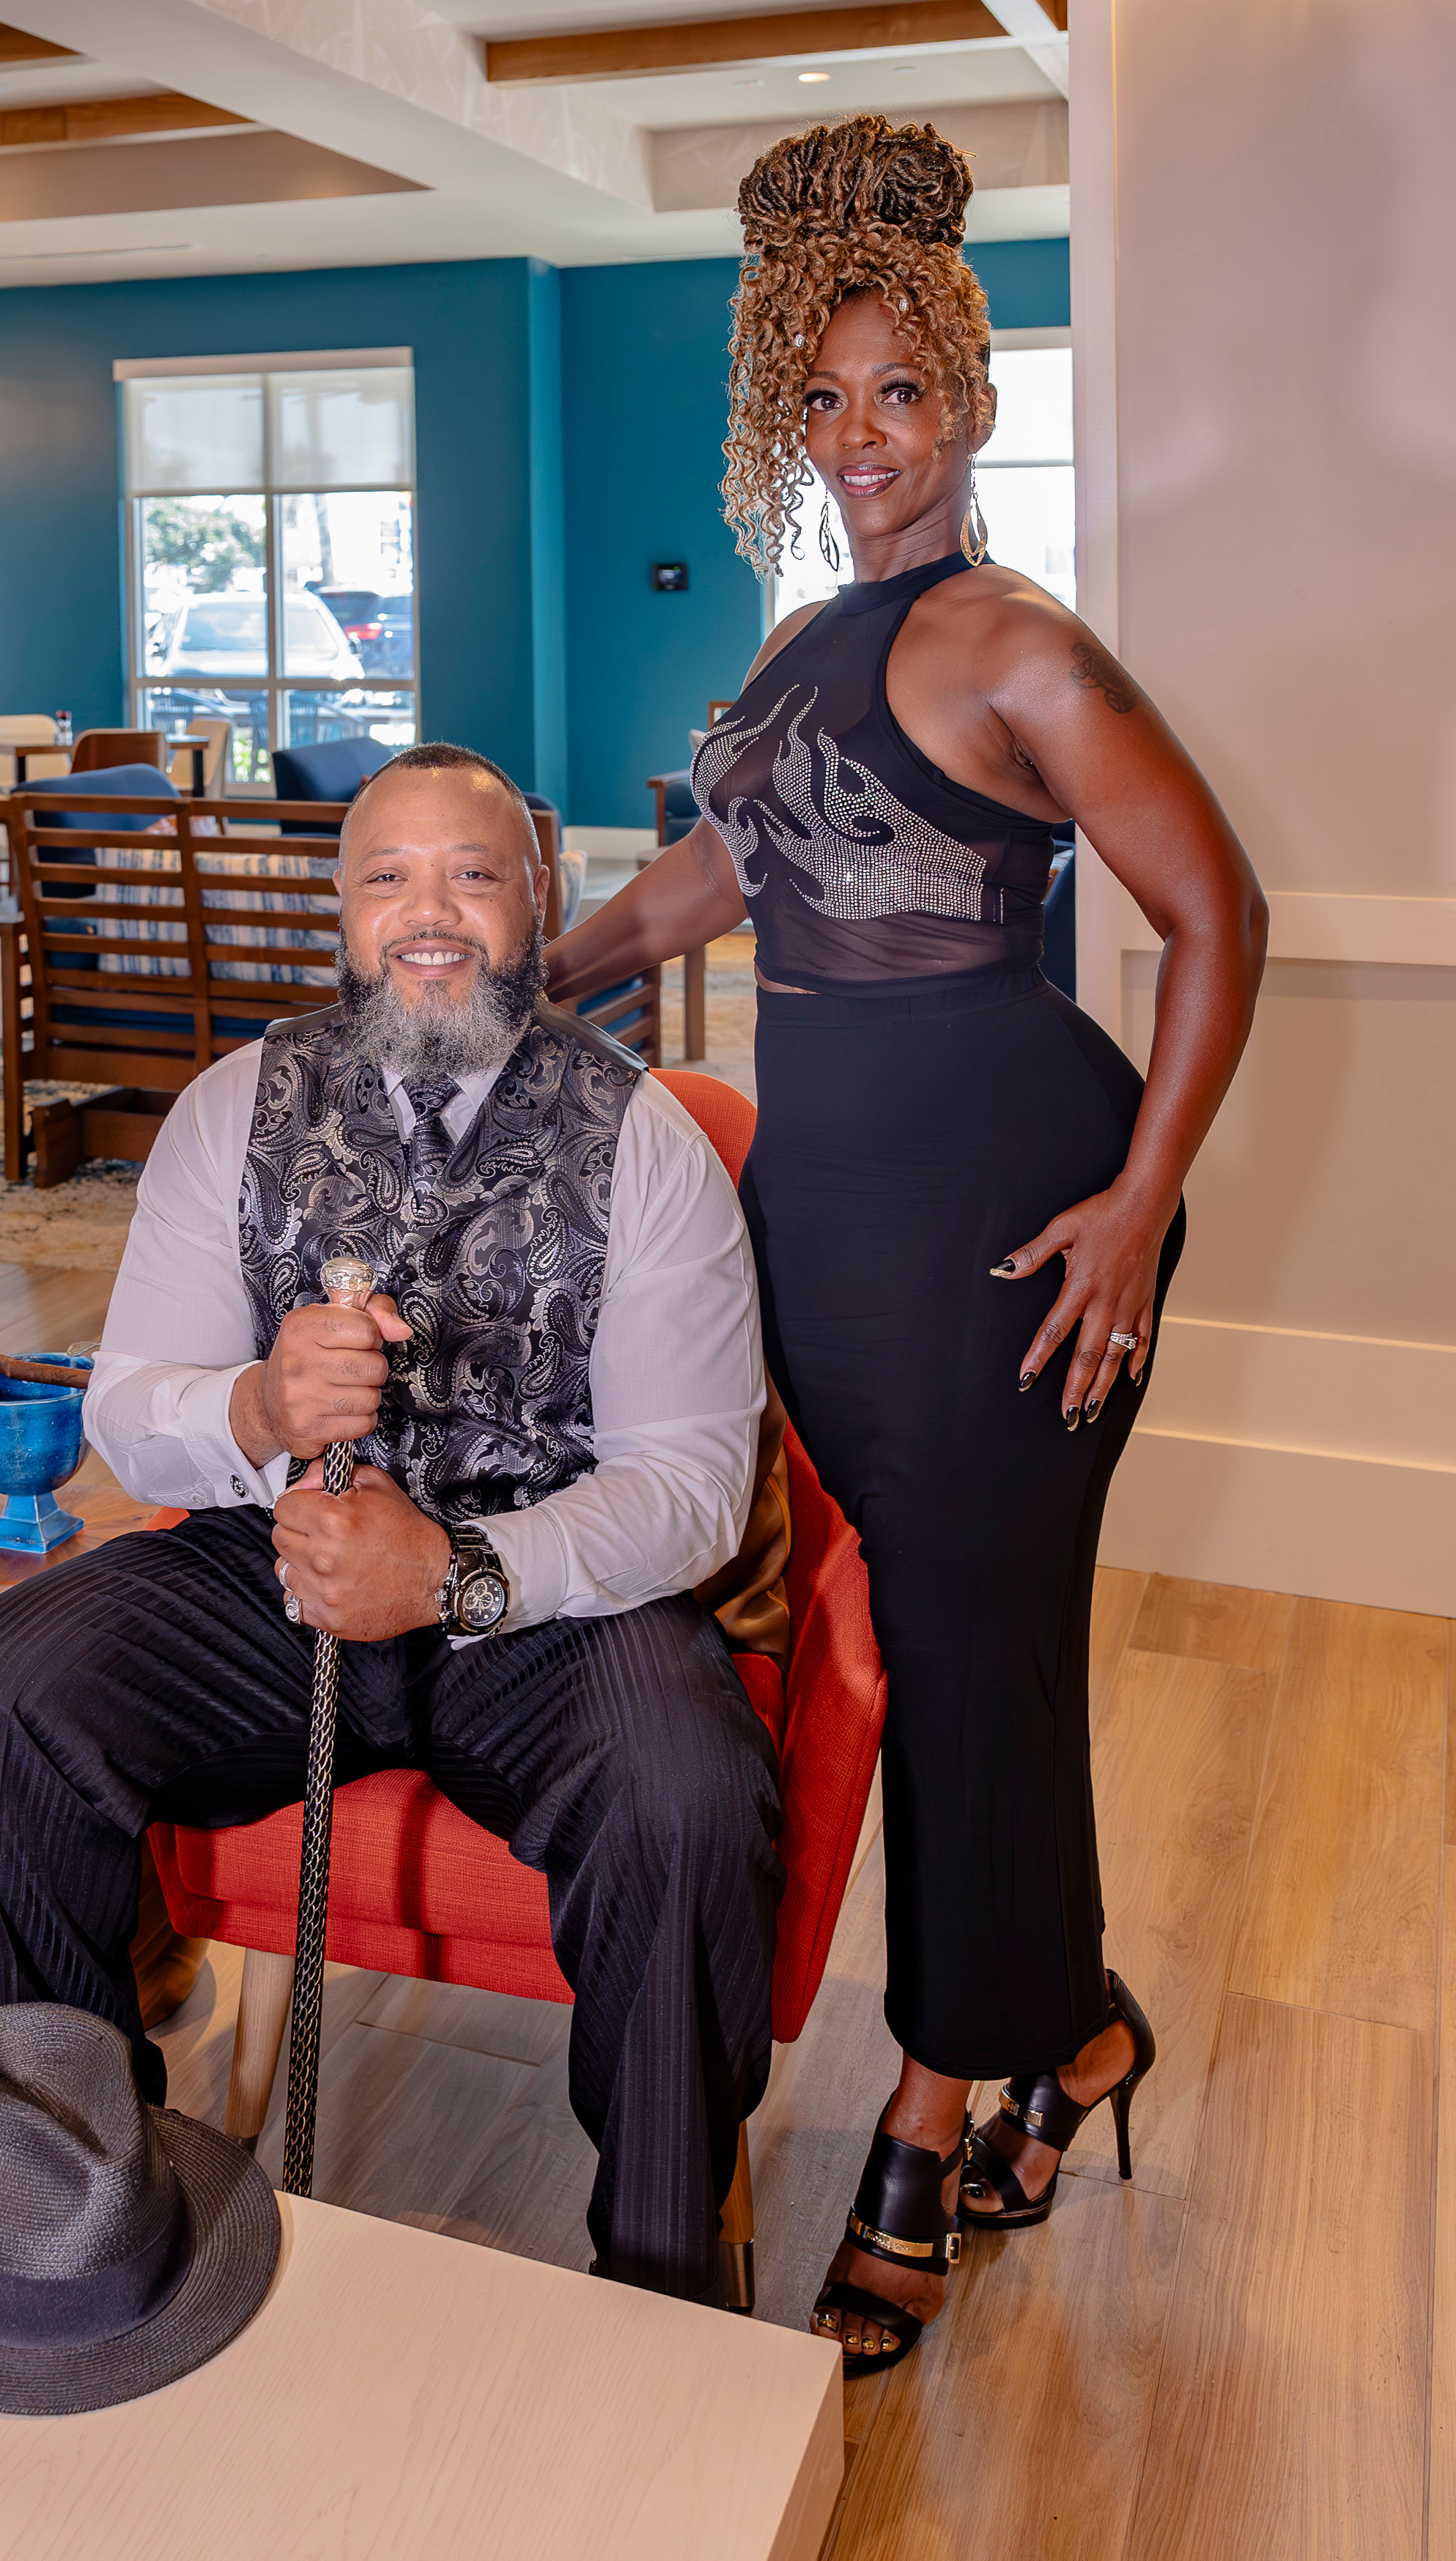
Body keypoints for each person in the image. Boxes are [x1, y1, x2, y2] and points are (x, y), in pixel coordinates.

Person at [545, 117, 1267, 2371]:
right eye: (821, 399)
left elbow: (1214, 911)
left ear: (963, 402)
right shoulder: (793, 644)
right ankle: (1070, 2035)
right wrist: (512, 977)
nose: (863, 440)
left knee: (966, 1665)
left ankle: (938, 2098)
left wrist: (1138, 1205)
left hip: (1005, 1231)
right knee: (958, 1657)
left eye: (902, 395)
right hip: (823, 1234)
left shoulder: (1013, 642)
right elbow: (709, 890)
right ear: (785, 409)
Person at [0, 744, 783, 2307]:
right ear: (337, 910)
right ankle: (62, 2207)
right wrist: (249, 1405)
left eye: (470, 873)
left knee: (684, 1789)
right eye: (386, 876)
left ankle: (662, 2276)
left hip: (551, 1600)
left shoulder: (643, 1138)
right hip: (272, 1574)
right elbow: (129, 1402)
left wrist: (457, 1569)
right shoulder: (229, 1108)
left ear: (540, 900)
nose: (426, 913)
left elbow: (690, 1484)